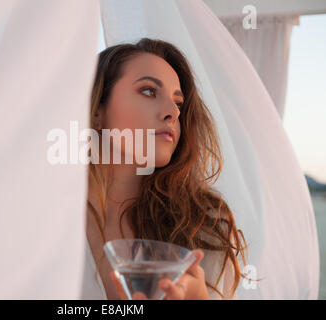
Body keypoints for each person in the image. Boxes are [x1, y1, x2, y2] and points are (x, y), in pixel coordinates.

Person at [81, 38, 248, 300]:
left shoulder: (206, 226)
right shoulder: (43, 214)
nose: (173, 111)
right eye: (148, 91)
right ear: (97, 111)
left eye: (179, 103)